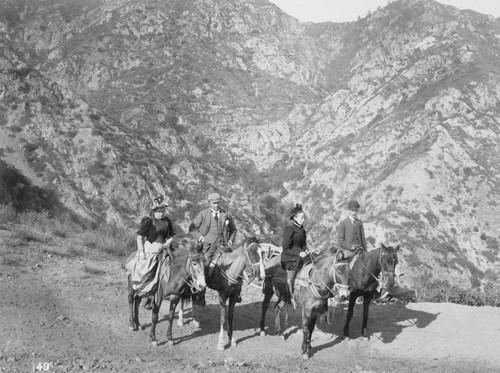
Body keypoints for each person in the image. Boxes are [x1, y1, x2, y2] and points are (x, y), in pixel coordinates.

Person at [126, 195, 175, 310]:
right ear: (154, 211)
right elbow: (139, 237)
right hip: (150, 247)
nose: (161, 214)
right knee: (147, 268)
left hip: (164, 247)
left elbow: (171, 236)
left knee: (175, 265)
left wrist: (168, 243)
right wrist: (141, 251)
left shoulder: (167, 221)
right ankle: (144, 292)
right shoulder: (148, 221)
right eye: (158, 211)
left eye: (163, 211)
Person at [190, 192, 239, 301]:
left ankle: (236, 292)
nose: (216, 205)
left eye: (218, 203)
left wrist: (230, 241)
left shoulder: (226, 214)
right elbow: (192, 228)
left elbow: (234, 230)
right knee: (205, 266)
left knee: (236, 263)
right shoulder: (203, 214)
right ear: (209, 203)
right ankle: (200, 295)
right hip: (208, 246)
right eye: (214, 203)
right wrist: (201, 238)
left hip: (223, 246)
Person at [281, 203, 309, 309]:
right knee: (291, 276)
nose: (303, 219)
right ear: (295, 218)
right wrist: (299, 253)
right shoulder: (289, 229)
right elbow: (285, 248)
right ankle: (291, 296)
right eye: (302, 217)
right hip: (289, 257)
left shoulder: (302, 230)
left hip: (301, 255)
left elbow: (303, 245)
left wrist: (307, 251)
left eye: (304, 217)